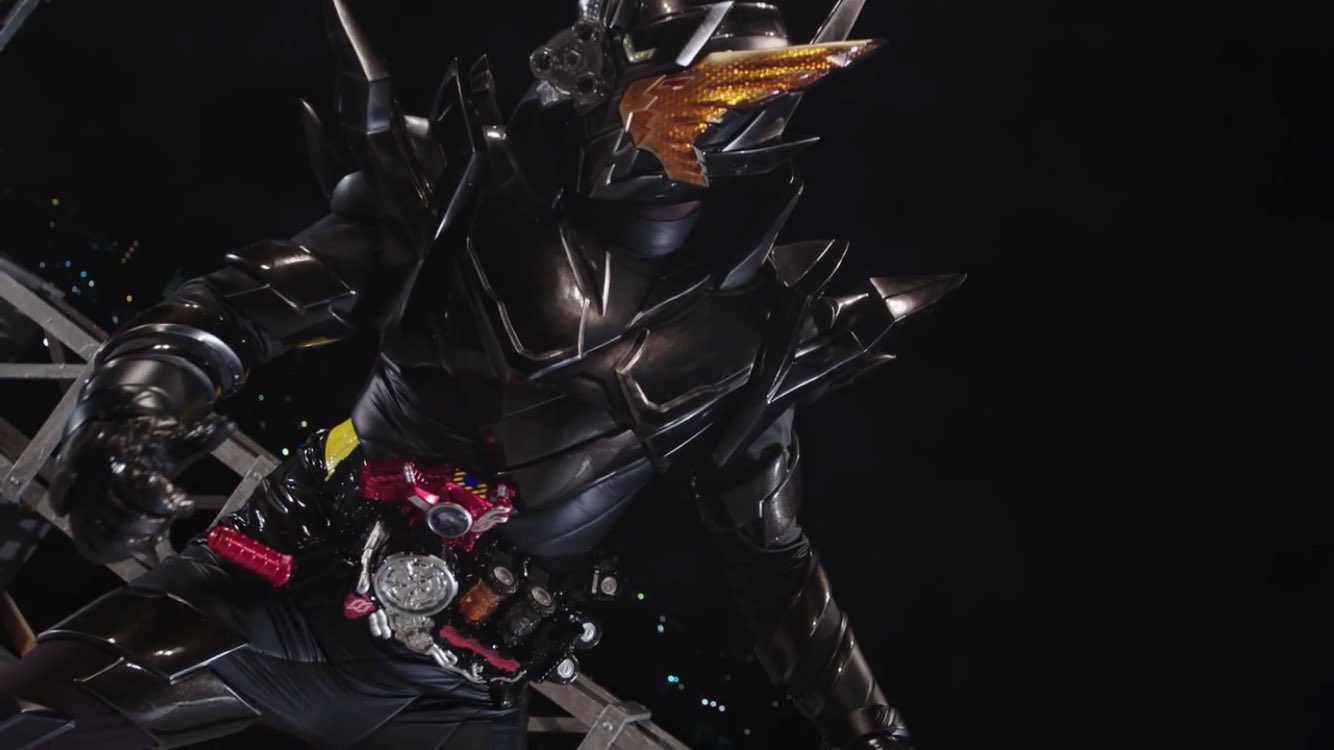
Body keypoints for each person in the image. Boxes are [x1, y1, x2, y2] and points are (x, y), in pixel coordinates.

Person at [0, 1, 962, 747]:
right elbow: (227, 314)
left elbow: (775, 568)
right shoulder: (450, 195)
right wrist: (125, 420)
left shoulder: (740, 339)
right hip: (265, 598)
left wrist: (871, 732)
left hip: (455, 691)